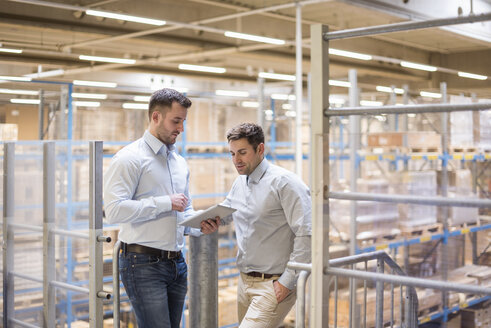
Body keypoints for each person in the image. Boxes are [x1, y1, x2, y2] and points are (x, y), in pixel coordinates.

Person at [104, 88, 219, 328]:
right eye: (176, 121)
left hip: (177, 264)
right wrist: (165, 203)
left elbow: (184, 212)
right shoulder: (129, 158)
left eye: (183, 121)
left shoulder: (179, 162)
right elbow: (114, 210)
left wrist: (200, 225)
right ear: (155, 117)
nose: (181, 129)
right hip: (143, 264)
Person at [209, 122, 312, 327]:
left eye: (242, 152)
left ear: (260, 149)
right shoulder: (240, 181)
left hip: (273, 284)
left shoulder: (285, 183)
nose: (236, 160)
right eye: (232, 154)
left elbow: (307, 233)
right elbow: (228, 210)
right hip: (245, 282)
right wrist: (206, 219)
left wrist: (287, 281)